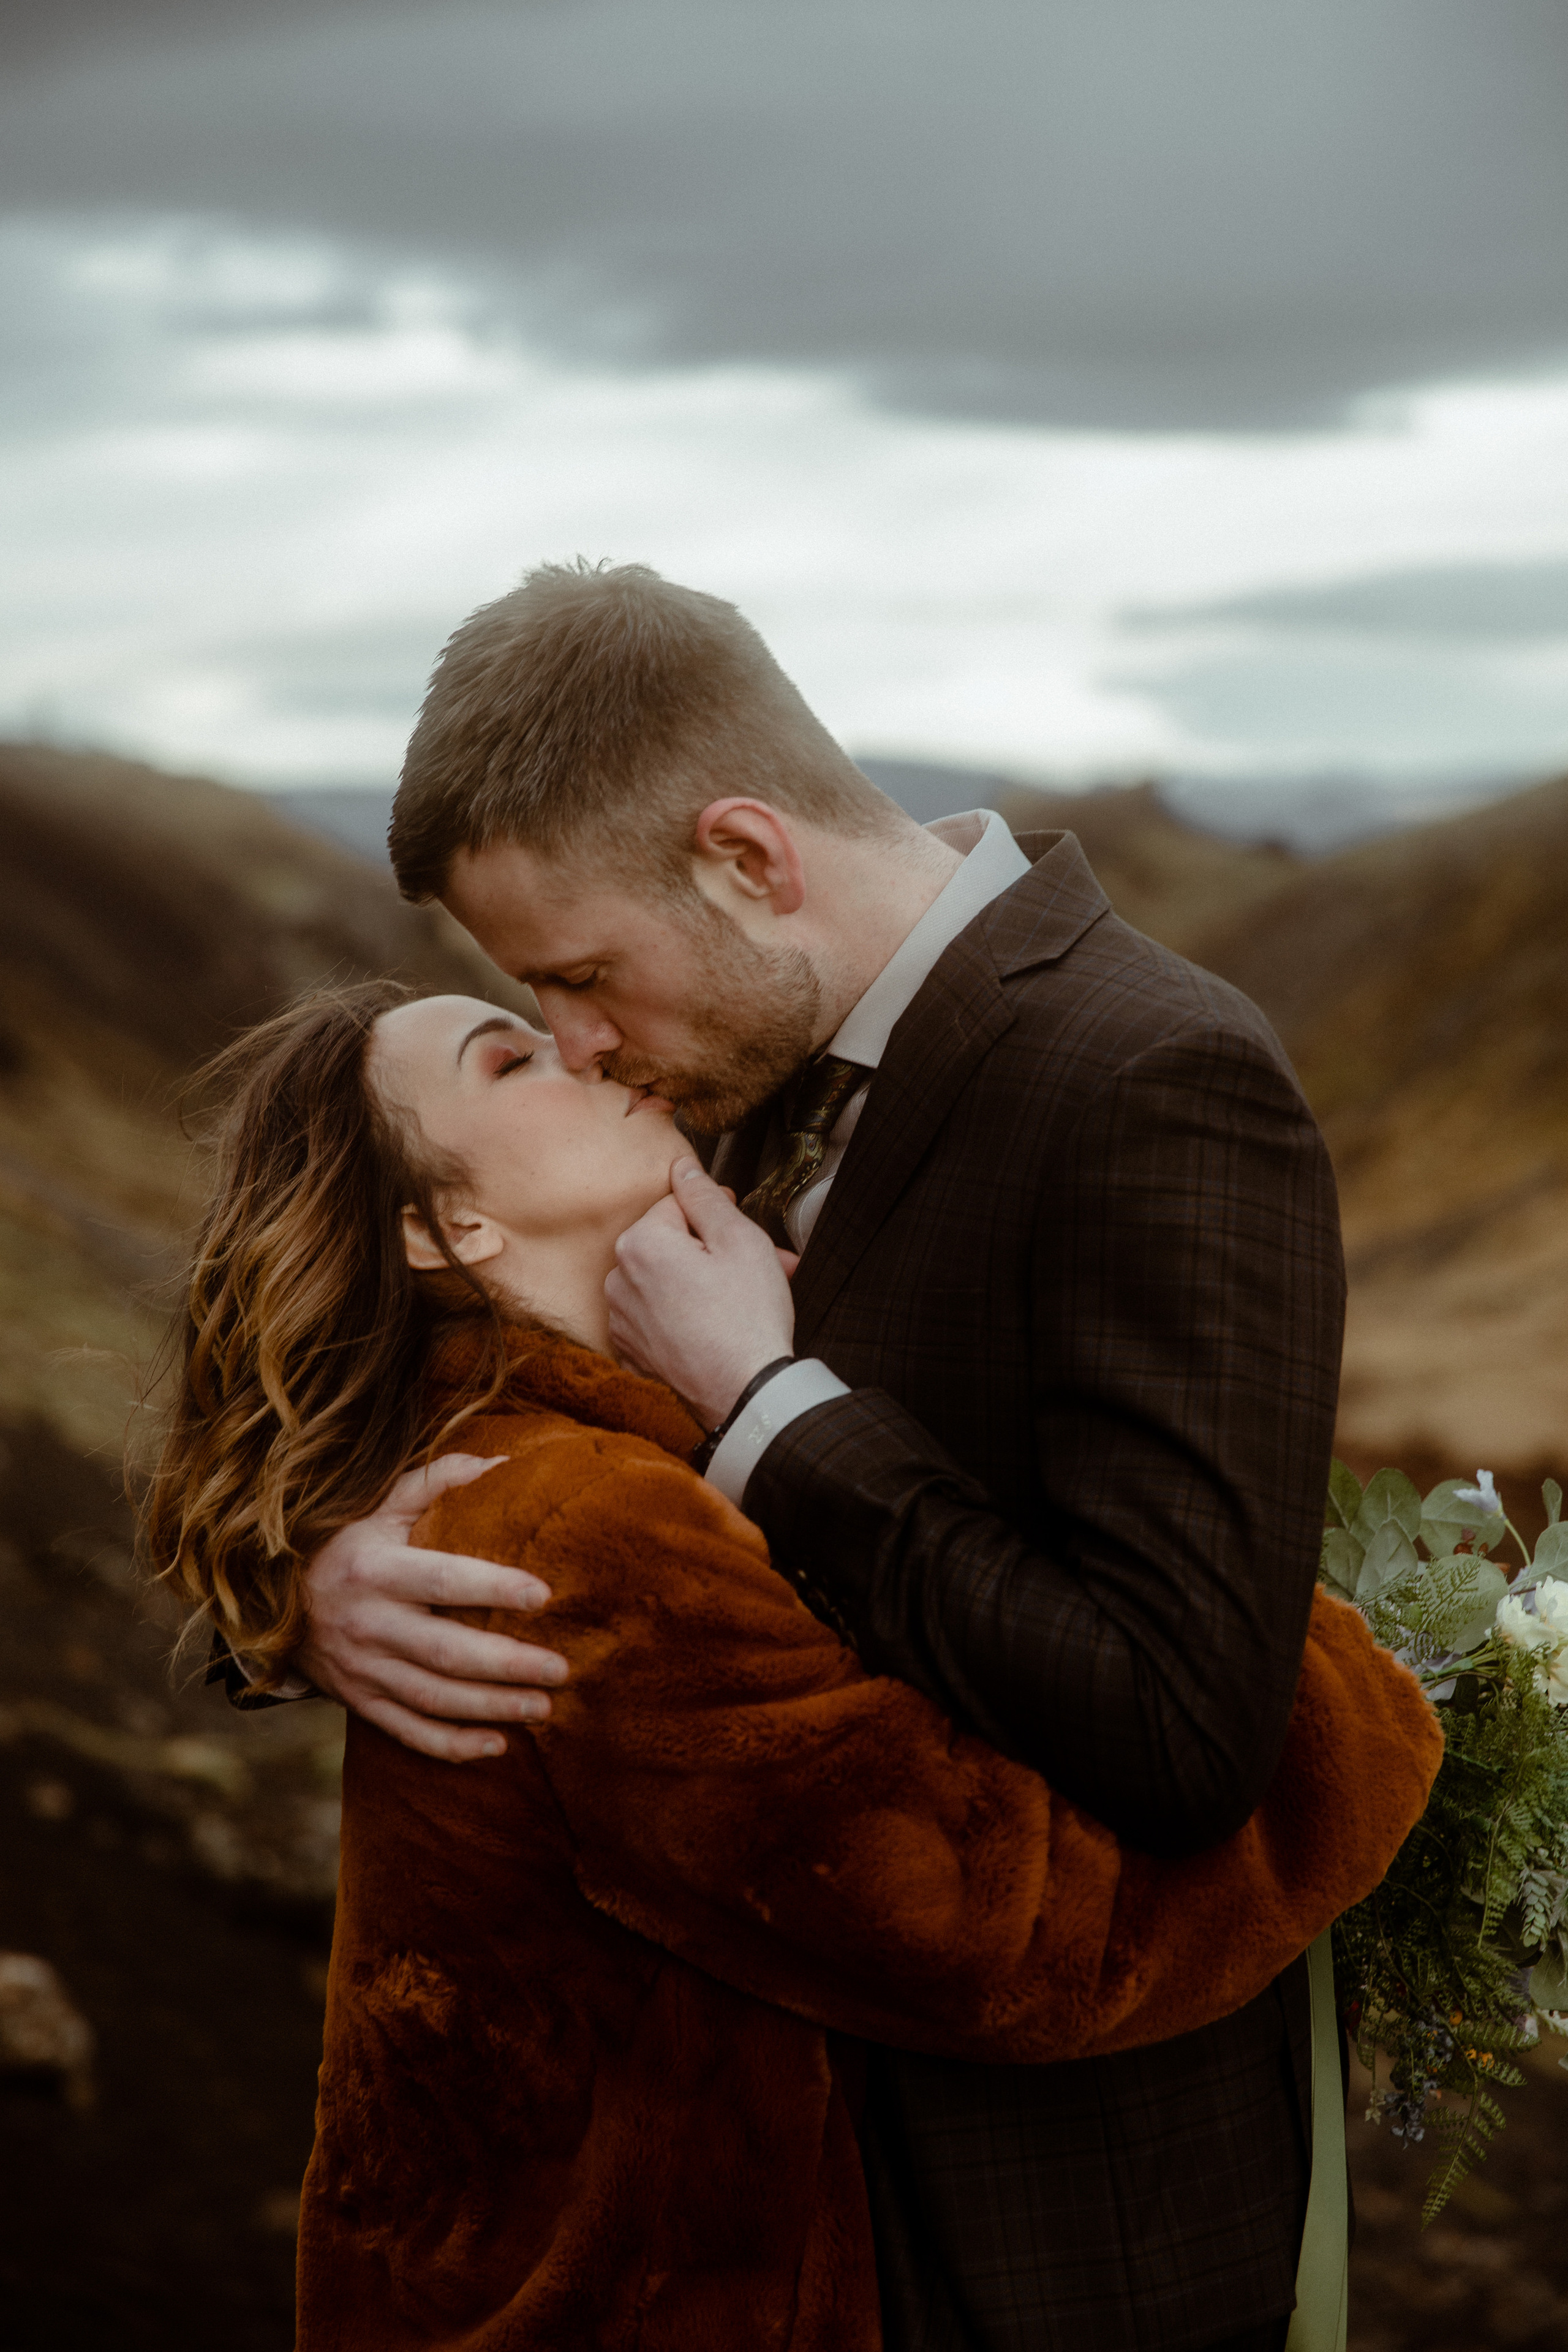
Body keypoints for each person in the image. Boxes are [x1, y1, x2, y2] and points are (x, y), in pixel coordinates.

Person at [232, 562, 1366, 2349]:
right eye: (536, 1012)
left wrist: (769, 1409)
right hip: (758, 2215)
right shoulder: (721, 1060)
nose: (586, 1044)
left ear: (749, 861)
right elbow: (425, 1375)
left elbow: (1179, 1728)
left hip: (1054, 2231)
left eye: (581, 979)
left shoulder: (1149, 1074)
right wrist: (309, 1584)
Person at [162, 979, 1438, 2352]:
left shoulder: (517, 1458)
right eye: (511, 1060)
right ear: (444, 1228)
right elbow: (989, 1929)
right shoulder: (581, 1522)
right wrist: (1327, 1693)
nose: (584, 1046)